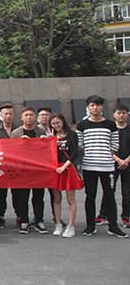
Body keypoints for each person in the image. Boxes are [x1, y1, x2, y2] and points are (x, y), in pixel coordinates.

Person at [76, 95, 127, 238]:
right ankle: (90, 226)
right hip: (89, 167)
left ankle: (113, 226)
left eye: (98, 105)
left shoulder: (110, 125)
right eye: (92, 105)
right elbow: (80, 145)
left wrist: (107, 154)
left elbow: (115, 145)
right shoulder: (82, 125)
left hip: (107, 167)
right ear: (88, 107)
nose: (95, 108)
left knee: (110, 196)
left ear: (102, 107)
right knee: (90, 197)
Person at [11, 106, 48, 234]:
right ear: (21, 117)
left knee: (38, 197)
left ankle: (39, 220)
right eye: (26, 115)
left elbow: (46, 151)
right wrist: (20, 143)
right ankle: (24, 221)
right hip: (23, 170)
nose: (28, 117)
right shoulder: (16, 133)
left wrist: (45, 142)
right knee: (23, 197)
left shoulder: (40, 131)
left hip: (38, 170)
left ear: (35, 117)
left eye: (31, 115)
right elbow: (11, 152)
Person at [96, 103, 130, 228]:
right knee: (109, 190)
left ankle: (126, 216)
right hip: (111, 163)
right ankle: (103, 215)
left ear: (127, 114)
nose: (121, 115)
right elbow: (106, 147)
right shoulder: (110, 129)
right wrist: (118, 160)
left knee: (127, 192)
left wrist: (126, 161)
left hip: (128, 164)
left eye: (123, 113)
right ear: (114, 114)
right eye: (118, 113)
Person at [50, 113, 80, 238]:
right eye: (53, 124)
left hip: (67, 168)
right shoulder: (52, 137)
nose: (56, 125)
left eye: (58, 123)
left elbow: (75, 152)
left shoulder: (72, 135)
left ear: (63, 122)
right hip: (55, 169)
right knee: (57, 199)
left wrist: (65, 166)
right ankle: (58, 224)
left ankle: (71, 226)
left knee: (70, 200)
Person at [0, 104, 15, 229]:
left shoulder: (19, 130)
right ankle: (1, 216)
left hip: (16, 167)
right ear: (0, 116)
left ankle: (20, 217)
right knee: (1, 193)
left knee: (18, 193)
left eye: (10, 113)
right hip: (1, 167)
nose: (8, 116)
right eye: (6, 114)